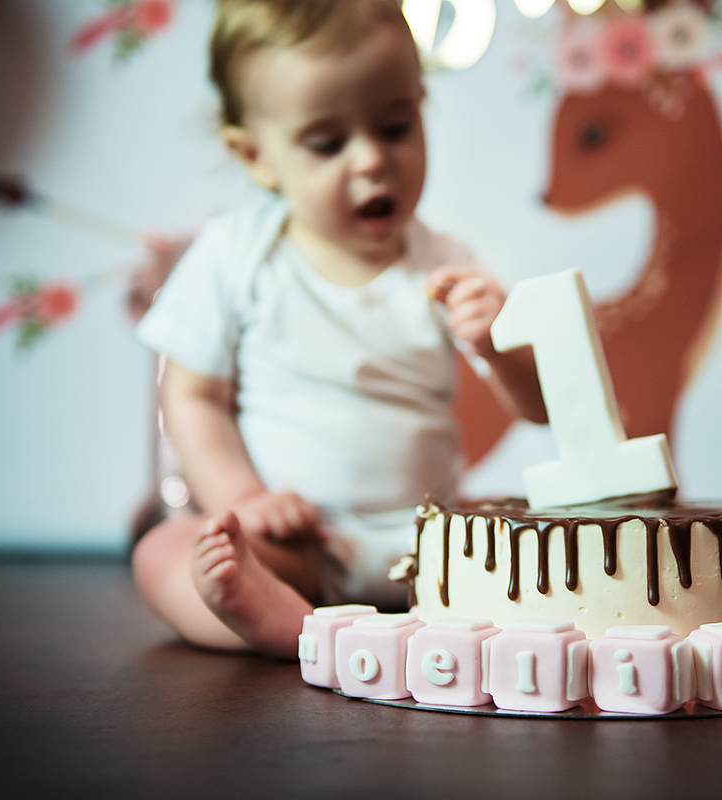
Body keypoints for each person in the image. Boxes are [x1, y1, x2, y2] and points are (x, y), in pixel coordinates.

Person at [131, 0, 546, 659]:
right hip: (298, 545)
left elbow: (542, 409)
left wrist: (499, 344)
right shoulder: (235, 255)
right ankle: (285, 621)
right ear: (255, 155)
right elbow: (191, 396)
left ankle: (337, 631)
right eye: (328, 142)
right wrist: (245, 497)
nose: (372, 161)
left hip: (437, 548)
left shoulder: (445, 264)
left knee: (539, 549)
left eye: (395, 125)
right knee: (165, 552)